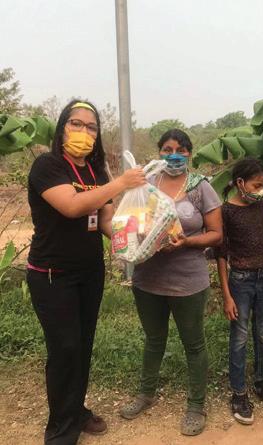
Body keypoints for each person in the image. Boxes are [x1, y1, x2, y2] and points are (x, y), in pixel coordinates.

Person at [27, 99, 146, 445]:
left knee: (81, 346)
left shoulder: (95, 172)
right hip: (52, 274)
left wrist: (137, 242)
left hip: (89, 272)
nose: (84, 132)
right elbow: (72, 206)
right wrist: (121, 183)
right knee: (64, 349)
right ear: (62, 127)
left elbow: (105, 220)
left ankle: (76, 411)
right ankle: (60, 431)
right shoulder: (48, 165)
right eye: (76, 124)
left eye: (91, 127)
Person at [120, 129, 223, 436]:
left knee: (194, 344)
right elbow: (130, 219)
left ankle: (196, 405)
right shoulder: (146, 184)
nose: (173, 155)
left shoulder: (201, 187)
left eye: (180, 149)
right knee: (154, 340)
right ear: (159, 152)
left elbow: (216, 235)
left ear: (189, 153)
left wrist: (186, 242)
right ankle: (145, 393)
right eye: (167, 149)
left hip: (188, 281)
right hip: (148, 278)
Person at [215, 158, 263, 425]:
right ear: (240, 183)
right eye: (256, 185)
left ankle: (261, 381)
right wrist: (226, 295)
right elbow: (221, 254)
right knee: (240, 337)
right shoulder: (226, 211)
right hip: (240, 281)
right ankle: (239, 393)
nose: (260, 190)